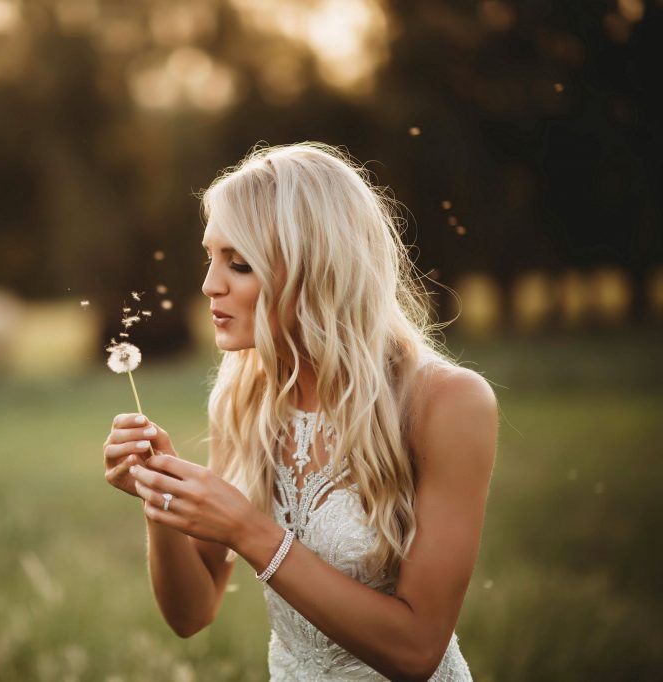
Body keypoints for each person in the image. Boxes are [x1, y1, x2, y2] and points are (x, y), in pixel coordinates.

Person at [102, 142, 497, 681]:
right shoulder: (243, 401)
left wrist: (251, 532)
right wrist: (160, 495)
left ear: (317, 269)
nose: (209, 284)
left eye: (238, 263)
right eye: (210, 256)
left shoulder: (446, 402)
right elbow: (192, 615)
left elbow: (417, 650)